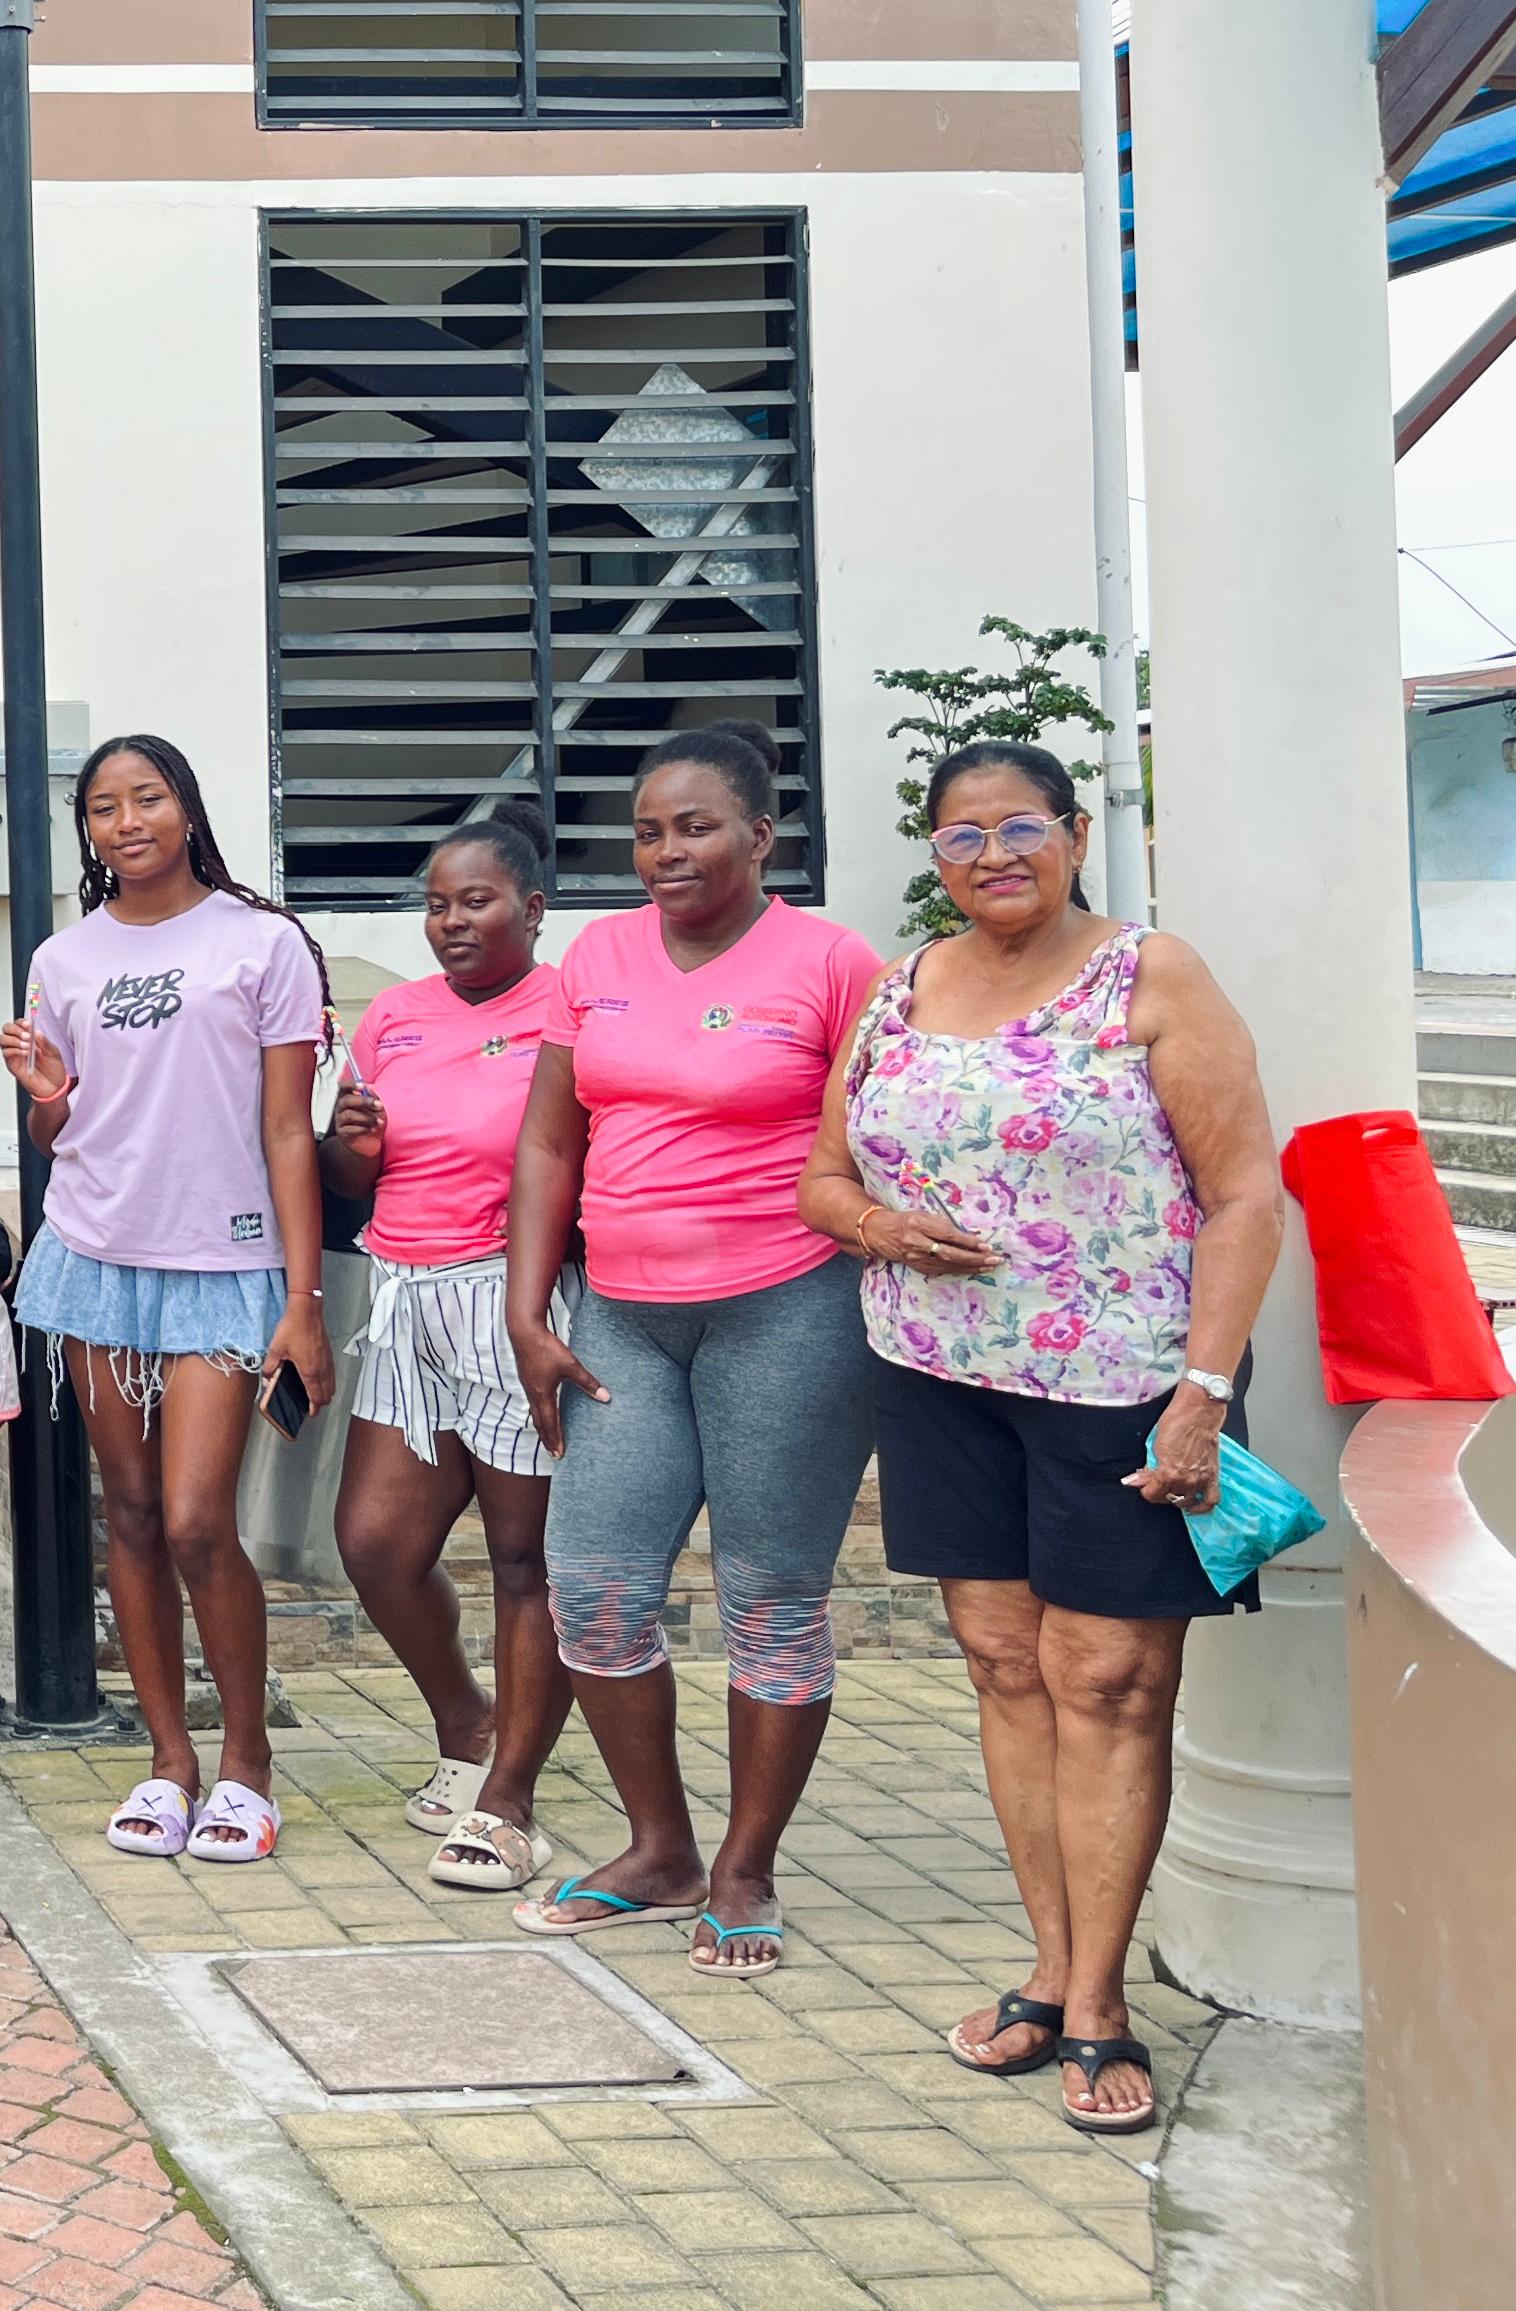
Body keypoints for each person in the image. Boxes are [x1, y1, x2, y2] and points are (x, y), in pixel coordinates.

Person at [798, 741, 1281, 2132]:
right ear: (935, 856)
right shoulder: (898, 989)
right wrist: (881, 1226)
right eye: (963, 835)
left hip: (1127, 1384)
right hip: (939, 1376)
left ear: (1074, 832)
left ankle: (1104, 2003)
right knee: (1007, 1666)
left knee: (1109, 1677)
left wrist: (1204, 1389)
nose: (995, 854)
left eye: (1021, 826)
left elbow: (1245, 1194)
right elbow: (822, 1179)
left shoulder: (1150, 975)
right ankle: (1051, 1970)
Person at [504, 724, 886, 1977]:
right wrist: (525, 1309)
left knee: (769, 1599)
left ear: (761, 836)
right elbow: (550, 1141)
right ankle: (659, 1848)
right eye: (647, 831)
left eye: (695, 826)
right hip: (621, 1316)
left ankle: (745, 1867)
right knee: (594, 1587)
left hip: (789, 1309)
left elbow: (879, 1139)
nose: (665, 850)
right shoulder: (596, 957)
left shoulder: (832, 963)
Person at [1, 736, 332, 1865]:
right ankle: (168, 1760)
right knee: (132, 1515)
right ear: (87, 829)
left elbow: (287, 1129)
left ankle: (247, 1761)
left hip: (224, 1262)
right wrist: (47, 1094)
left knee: (197, 1519)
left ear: (186, 807)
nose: (126, 820)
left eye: (147, 797)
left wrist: (303, 1294)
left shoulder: (263, 941)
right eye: (104, 806)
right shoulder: (62, 957)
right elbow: (56, 1125)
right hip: (96, 1253)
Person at [316, 799, 572, 1893]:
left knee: (525, 1559)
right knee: (375, 1543)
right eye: (435, 904)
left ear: (532, 907)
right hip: (407, 1300)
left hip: (518, 1301)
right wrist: (351, 1147)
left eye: (476, 901)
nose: (451, 921)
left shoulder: (567, 1007)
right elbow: (351, 1179)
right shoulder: (395, 1015)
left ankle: (508, 1796)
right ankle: (466, 1716)